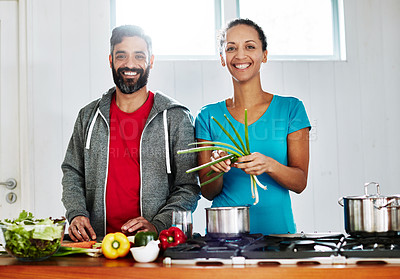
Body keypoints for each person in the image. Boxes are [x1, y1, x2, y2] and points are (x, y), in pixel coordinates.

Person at [61, 25, 200, 242]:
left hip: (155, 245)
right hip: (95, 244)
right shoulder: (88, 115)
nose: (130, 64)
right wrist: (76, 213)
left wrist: (157, 225)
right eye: (121, 56)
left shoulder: (175, 117)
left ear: (151, 61)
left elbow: (188, 186)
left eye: (139, 56)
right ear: (110, 60)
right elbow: (72, 171)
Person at [195, 19, 311, 235]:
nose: (240, 55)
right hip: (225, 237)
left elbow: (300, 182)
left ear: (264, 55)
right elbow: (208, 192)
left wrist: (269, 165)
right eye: (231, 48)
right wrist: (216, 168)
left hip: (278, 236)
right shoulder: (207, 116)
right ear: (222, 58)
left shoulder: (291, 109)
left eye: (250, 46)